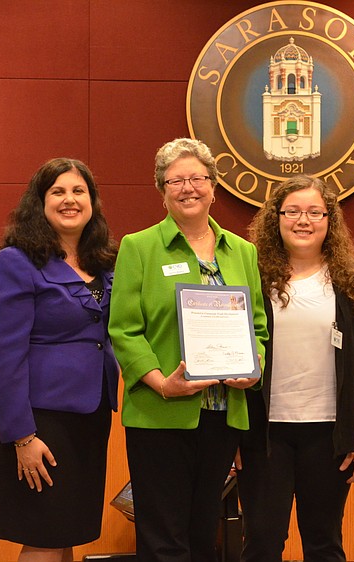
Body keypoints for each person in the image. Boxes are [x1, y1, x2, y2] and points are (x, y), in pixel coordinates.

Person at [107, 137, 268, 561]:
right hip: (160, 415)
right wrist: (161, 383)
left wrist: (254, 368)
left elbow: (258, 326)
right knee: (163, 540)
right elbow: (123, 329)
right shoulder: (137, 248)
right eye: (175, 180)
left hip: (222, 415)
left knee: (203, 536)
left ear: (214, 187)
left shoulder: (244, 251)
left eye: (197, 178)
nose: (187, 187)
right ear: (162, 192)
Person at [240, 174, 354, 562]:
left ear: (329, 221)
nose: (304, 220)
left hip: (329, 435)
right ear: (276, 218)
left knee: (323, 543)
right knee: (263, 542)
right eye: (293, 211)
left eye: (315, 212)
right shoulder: (253, 278)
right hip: (264, 435)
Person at [0, 158, 120, 562]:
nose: (70, 200)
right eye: (58, 192)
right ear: (39, 202)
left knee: (67, 530)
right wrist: (22, 437)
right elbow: (5, 357)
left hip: (90, 415)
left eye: (79, 191)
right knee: (43, 534)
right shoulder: (16, 262)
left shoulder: (105, 261)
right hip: (40, 420)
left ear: (92, 202)